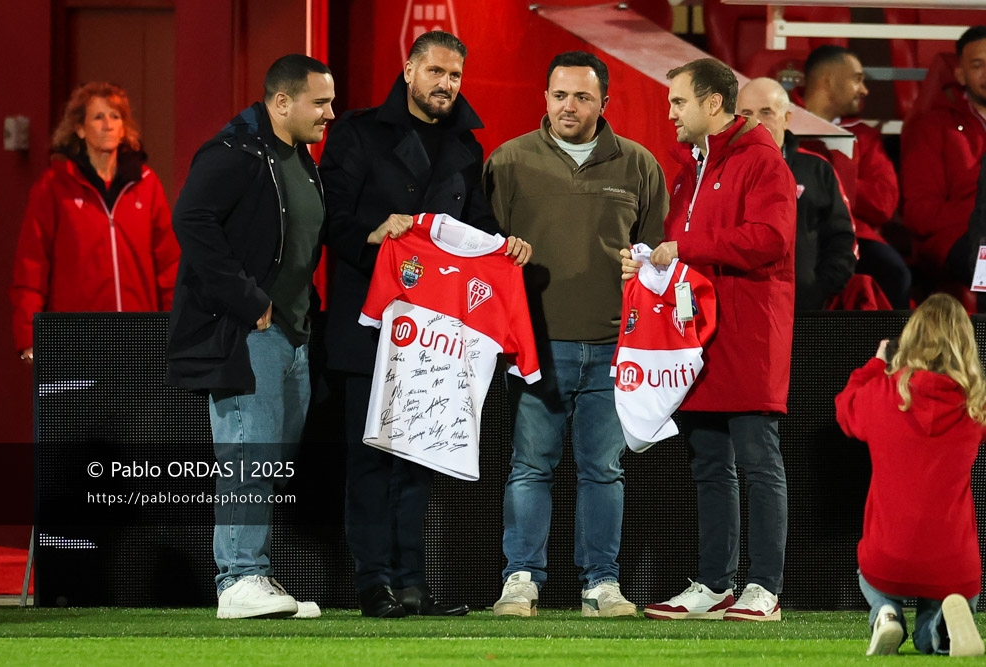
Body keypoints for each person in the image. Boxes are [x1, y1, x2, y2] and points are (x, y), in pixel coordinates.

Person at [319, 31, 530, 618]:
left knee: (418, 459)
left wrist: (504, 246)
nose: (445, 84)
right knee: (369, 459)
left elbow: (480, 227)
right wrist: (376, 229)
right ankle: (373, 583)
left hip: (435, 337)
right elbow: (331, 221)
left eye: (455, 76)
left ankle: (412, 581)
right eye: (435, 71)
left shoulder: (467, 145)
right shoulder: (356, 132)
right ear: (408, 69)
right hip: (368, 326)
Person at [484, 50, 668, 617]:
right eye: (560, 94)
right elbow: (482, 256)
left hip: (616, 347)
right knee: (530, 466)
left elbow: (659, 261)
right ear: (544, 98)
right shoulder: (508, 162)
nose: (570, 106)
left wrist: (647, 273)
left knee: (603, 470)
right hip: (535, 346)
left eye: (583, 97)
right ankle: (521, 579)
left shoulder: (639, 165)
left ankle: (601, 583)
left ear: (603, 103)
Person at [166, 54, 335, 619]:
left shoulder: (298, 157)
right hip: (248, 332)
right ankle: (239, 579)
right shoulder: (234, 151)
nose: (330, 113)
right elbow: (190, 218)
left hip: (292, 335)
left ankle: (251, 572)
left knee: (267, 460)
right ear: (281, 102)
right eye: (320, 102)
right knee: (248, 454)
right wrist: (247, 299)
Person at [628, 58, 795, 622]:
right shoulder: (688, 168)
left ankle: (765, 587)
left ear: (713, 104)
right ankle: (714, 583)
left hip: (749, 331)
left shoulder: (761, 159)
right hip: (696, 334)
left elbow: (770, 238)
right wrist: (649, 266)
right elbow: (681, 245)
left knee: (757, 461)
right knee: (707, 463)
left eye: (678, 101)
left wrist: (688, 250)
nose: (670, 112)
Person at [835, 293, 986, 657]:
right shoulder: (976, 404)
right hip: (954, 564)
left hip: (888, 558)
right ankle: (937, 627)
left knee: (870, 578)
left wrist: (875, 366)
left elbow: (845, 411)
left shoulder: (883, 393)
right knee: (949, 595)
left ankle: (885, 613)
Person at [10, 81, 178, 363]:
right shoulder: (54, 187)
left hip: (140, 338)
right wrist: (29, 337)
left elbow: (170, 265)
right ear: (79, 128)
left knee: (136, 409)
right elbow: (32, 265)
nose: (108, 125)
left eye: (115, 117)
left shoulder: (146, 184)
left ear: (124, 127)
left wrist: (178, 327)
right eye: (98, 117)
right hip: (76, 339)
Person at [802, 45, 911, 310]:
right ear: (828, 80)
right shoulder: (782, 120)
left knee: (896, 274)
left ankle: (893, 350)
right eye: (857, 79)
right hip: (797, 229)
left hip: (853, 233)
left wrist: (833, 185)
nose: (865, 90)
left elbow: (884, 203)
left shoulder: (865, 136)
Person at [737, 77, 856, 310]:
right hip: (741, 311)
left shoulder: (817, 169)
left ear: (787, 118)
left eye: (766, 112)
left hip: (804, 311)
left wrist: (819, 289)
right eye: (746, 113)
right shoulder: (720, 172)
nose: (756, 122)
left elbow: (842, 238)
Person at [901, 26, 986, 291]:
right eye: (978, 65)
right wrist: (977, 214)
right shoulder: (934, 127)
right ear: (960, 74)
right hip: (960, 236)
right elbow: (920, 213)